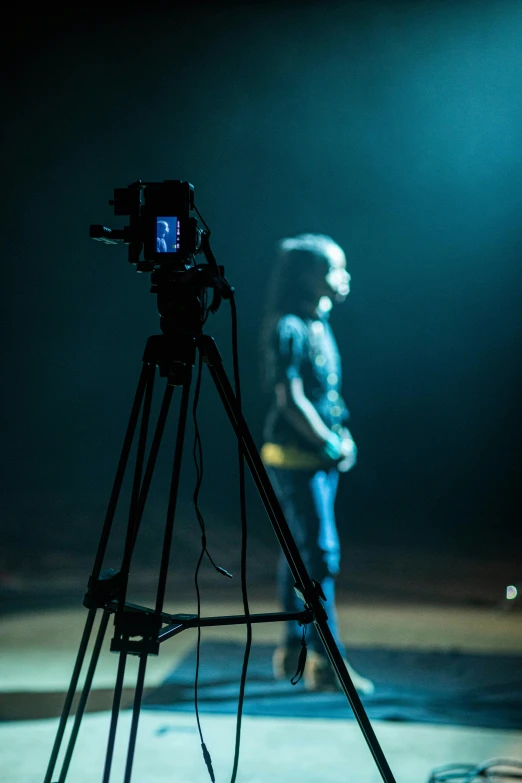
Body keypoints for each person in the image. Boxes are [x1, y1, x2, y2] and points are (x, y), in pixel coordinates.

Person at [259, 233, 374, 694]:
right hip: (295, 457)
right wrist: (329, 443)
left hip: (318, 455)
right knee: (320, 553)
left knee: (302, 554)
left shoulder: (317, 323)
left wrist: (339, 436)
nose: (343, 278)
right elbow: (290, 400)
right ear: (307, 277)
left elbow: (325, 393)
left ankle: (295, 647)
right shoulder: (288, 326)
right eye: (334, 269)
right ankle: (328, 662)